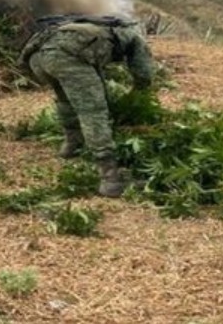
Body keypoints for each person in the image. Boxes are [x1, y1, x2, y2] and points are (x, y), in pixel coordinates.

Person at [18, 14, 155, 197]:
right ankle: (110, 178)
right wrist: (136, 96)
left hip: (38, 59)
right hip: (66, 57)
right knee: (93, 111)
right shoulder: (134, 33)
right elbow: (143, 74)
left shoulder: (92, 27)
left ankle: (72, 144)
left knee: (66, 98)